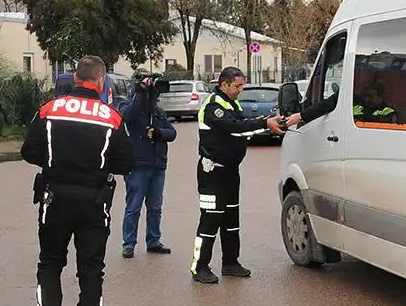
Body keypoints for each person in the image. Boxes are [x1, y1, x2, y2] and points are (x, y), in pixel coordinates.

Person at [21, 56, 134, 306]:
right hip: (94, 203)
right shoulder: (111, 117)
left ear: (74, 80)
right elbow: (126, 163)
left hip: (54, 199)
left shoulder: (49, 109)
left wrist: (55, 162)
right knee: (91, 272)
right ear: (100, 82)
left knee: (50, 264)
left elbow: (29, 151)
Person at [192, 67, 284, 284]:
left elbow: (243, 127)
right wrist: (263, 124)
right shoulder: (214, 106)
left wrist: (268, 123)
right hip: (212, 171)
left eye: (242, 85)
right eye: (237, 86)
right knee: (210, 220)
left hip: (230, 172)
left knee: (231, 219)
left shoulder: (231, 103)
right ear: (224, 85)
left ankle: (230, 263)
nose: (241, 90)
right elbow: (235, 128)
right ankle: (199, 266)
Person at [118, 72, 176, 259]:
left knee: (155, 207)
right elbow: (127, 116)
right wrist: (140, 92)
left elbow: (172, 133)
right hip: (137, 165)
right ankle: (128, 244)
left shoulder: (158, 113)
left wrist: (159, 133)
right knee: (134, 206)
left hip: (158, 165)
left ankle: (153, 241)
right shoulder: (129, 107)